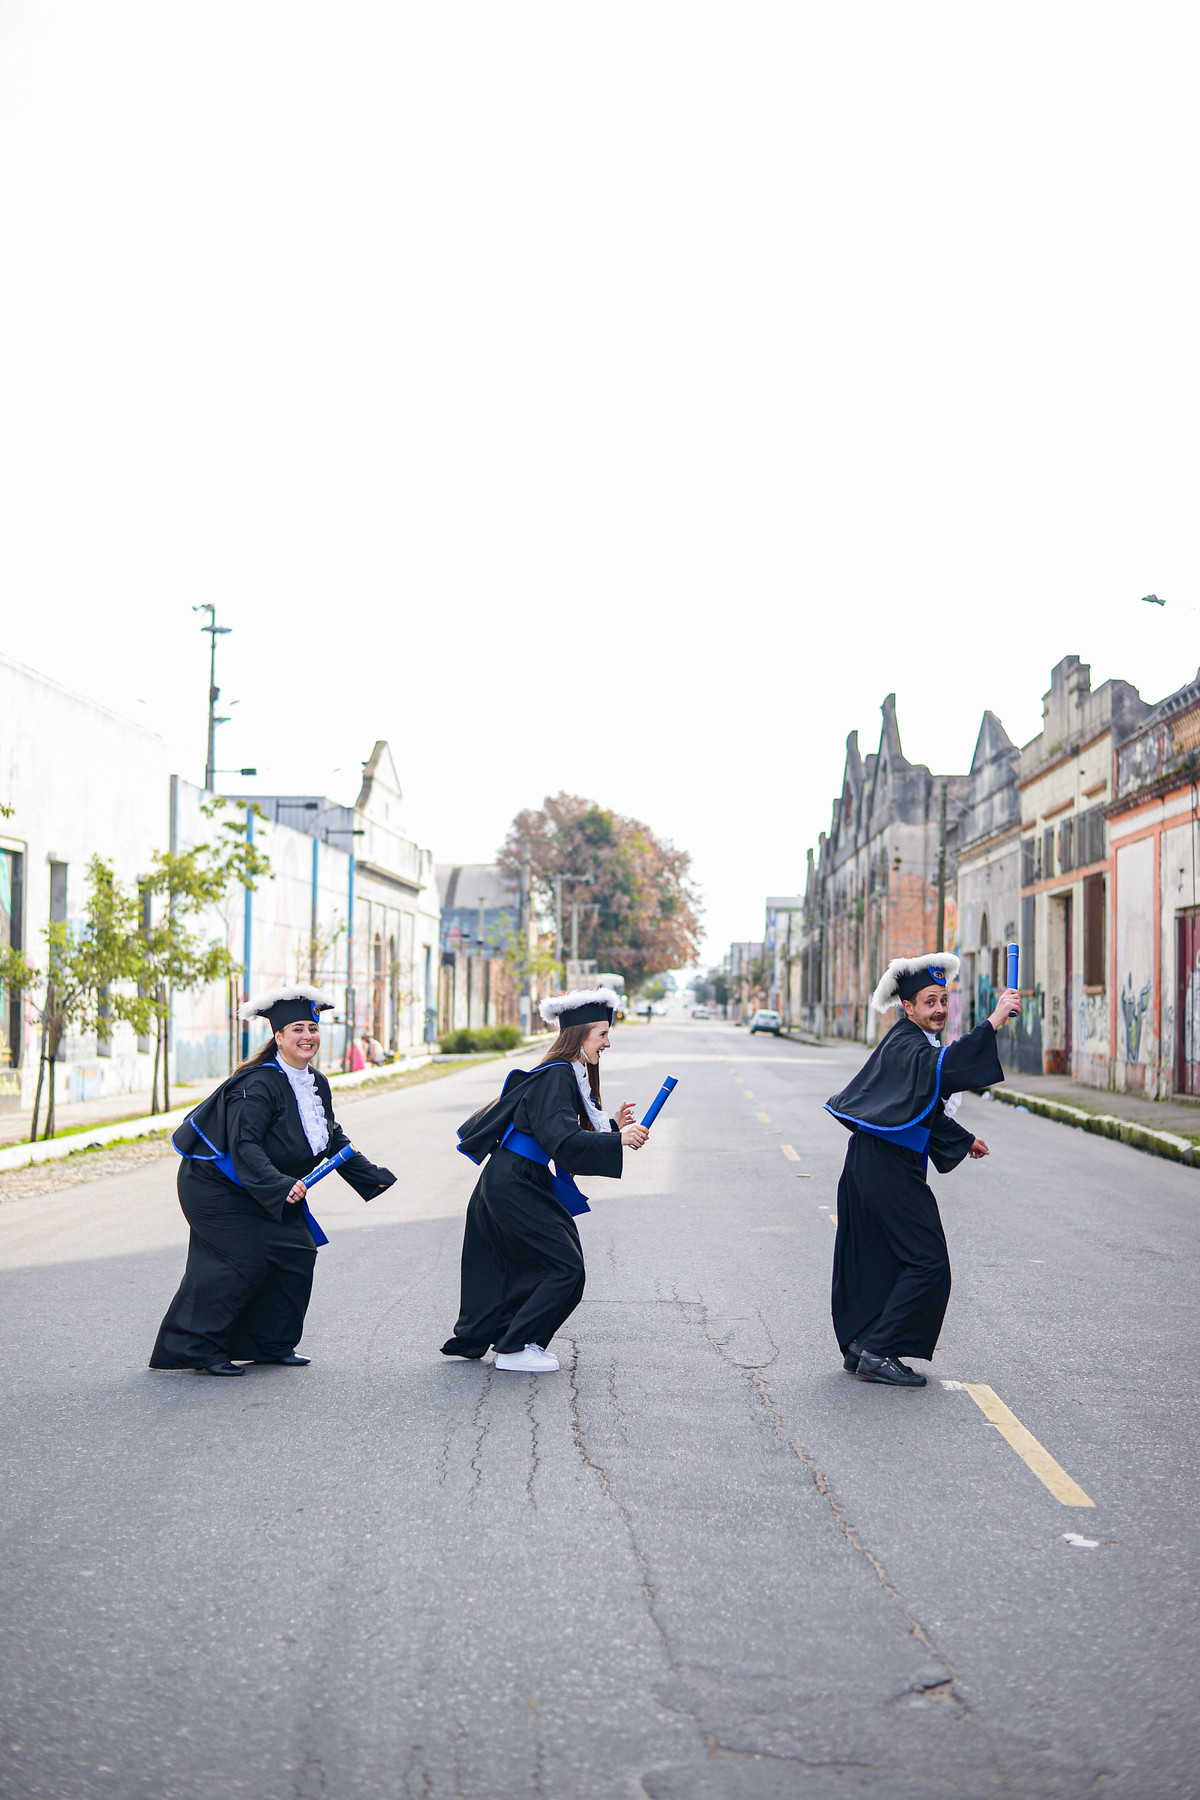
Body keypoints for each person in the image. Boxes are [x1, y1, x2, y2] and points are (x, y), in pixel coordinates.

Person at [149, 986, 396, 1377]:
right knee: (241, 1259)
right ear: (278, 1037)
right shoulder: (258, 1085)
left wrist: (370, 1177)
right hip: (216, 1185)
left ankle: (270, 1344)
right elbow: (244, 1145)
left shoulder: (316, 1082)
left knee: (297, 1253)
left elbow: (330, 1136)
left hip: (262, 1182)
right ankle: (199, 1349)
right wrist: (280, 1186)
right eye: (297, 1029)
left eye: (312, 1028)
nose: (307, 1036)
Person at [825, 953, 1020, 1388]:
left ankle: (862, 1344)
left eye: (944, 1000)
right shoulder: (908, 1044)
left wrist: (963, 1139)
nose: (939, 1009)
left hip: (875, 1162)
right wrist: (993, 1021)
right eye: (929, 1001)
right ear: (908, 1007)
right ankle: (879, 1351)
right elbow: (947, 1069)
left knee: (880, 1256)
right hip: (886, 1166)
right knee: (928, 1261)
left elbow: (919, 1106)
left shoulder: (910, 1043)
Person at [441, 986, 649, 1373]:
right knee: (565, 1267)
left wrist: (611, 1126)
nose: (607, 1043)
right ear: (580, 1034)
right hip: (514, 1181)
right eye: (602, 1034)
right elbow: (563, 1141)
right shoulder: (557, 1076)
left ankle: (515, 1339)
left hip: (517, 1178)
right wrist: (618, 1139)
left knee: (537, 1264)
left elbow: (557, 1129)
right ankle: (514, 1348)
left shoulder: (564, 1073)